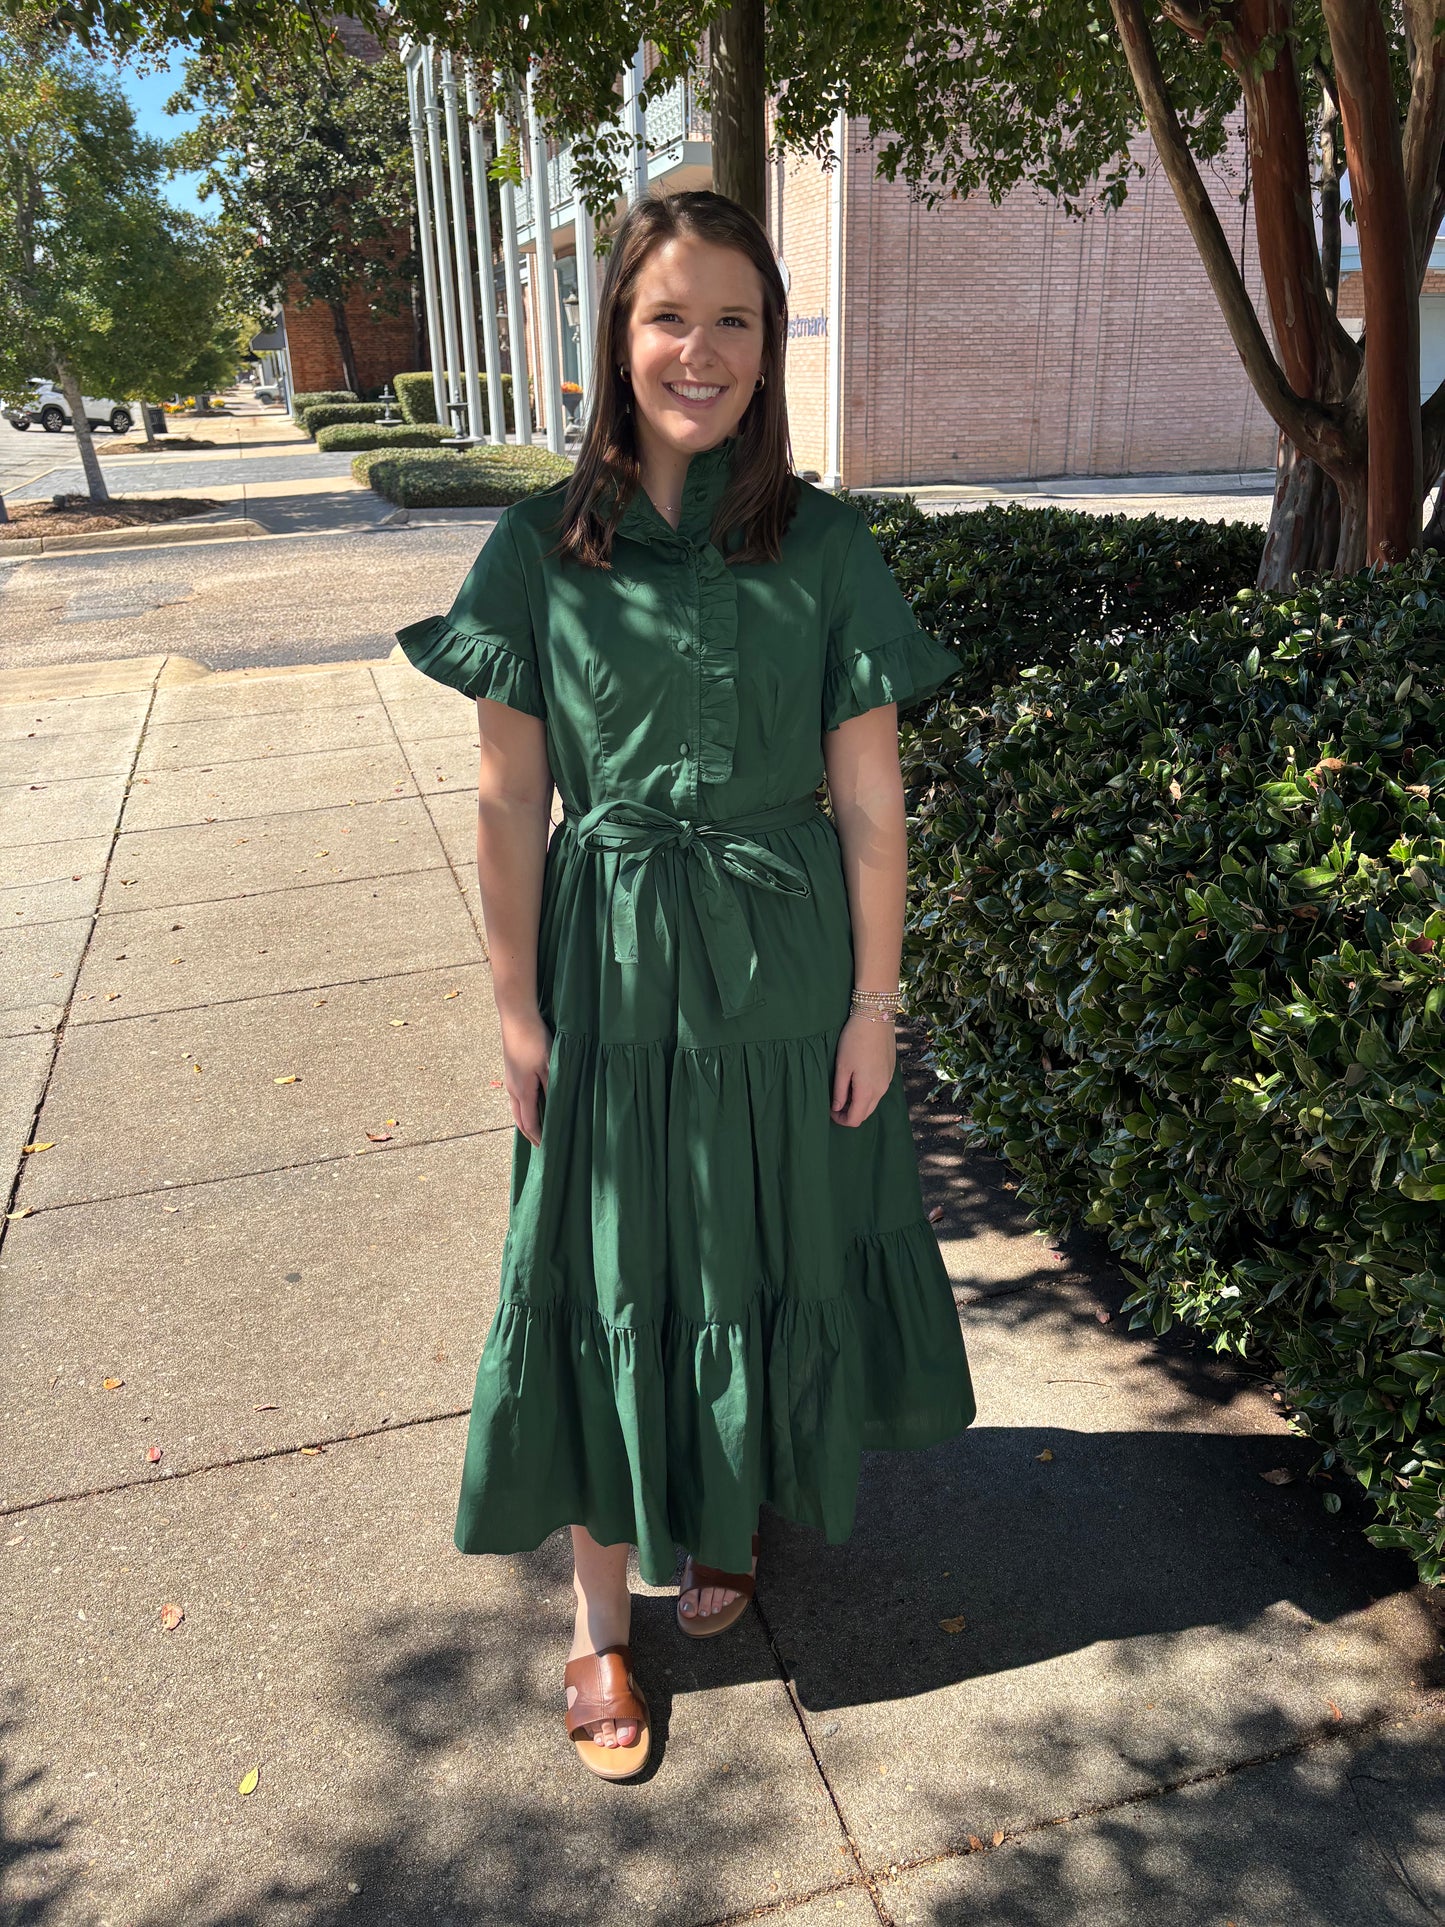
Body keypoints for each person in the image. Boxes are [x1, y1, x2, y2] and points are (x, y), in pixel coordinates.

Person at [395, 185, 978, 1782]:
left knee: (757, 1244)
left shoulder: (826, 542)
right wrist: (514, 1008)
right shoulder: (533, 550)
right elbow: (512, 801)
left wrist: (875, 1004)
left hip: (786, 972)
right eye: (668, 316)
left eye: (735, 318)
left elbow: (869, 799)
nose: (700, 350)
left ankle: (718, 1520)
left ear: (767, 346)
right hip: (611, 967)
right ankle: (594, 1627)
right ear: (616, 338)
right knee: (603, 1267)